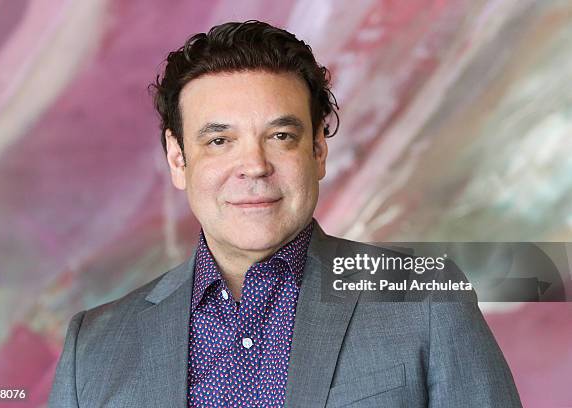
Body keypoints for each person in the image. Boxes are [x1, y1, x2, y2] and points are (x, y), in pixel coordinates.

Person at [49, 20, 522, 407]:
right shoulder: (93, 348)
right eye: (219, 141)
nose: (254, 166)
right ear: (178, 159)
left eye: (281, 137)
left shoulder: (426, 302)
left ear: (318, 149)